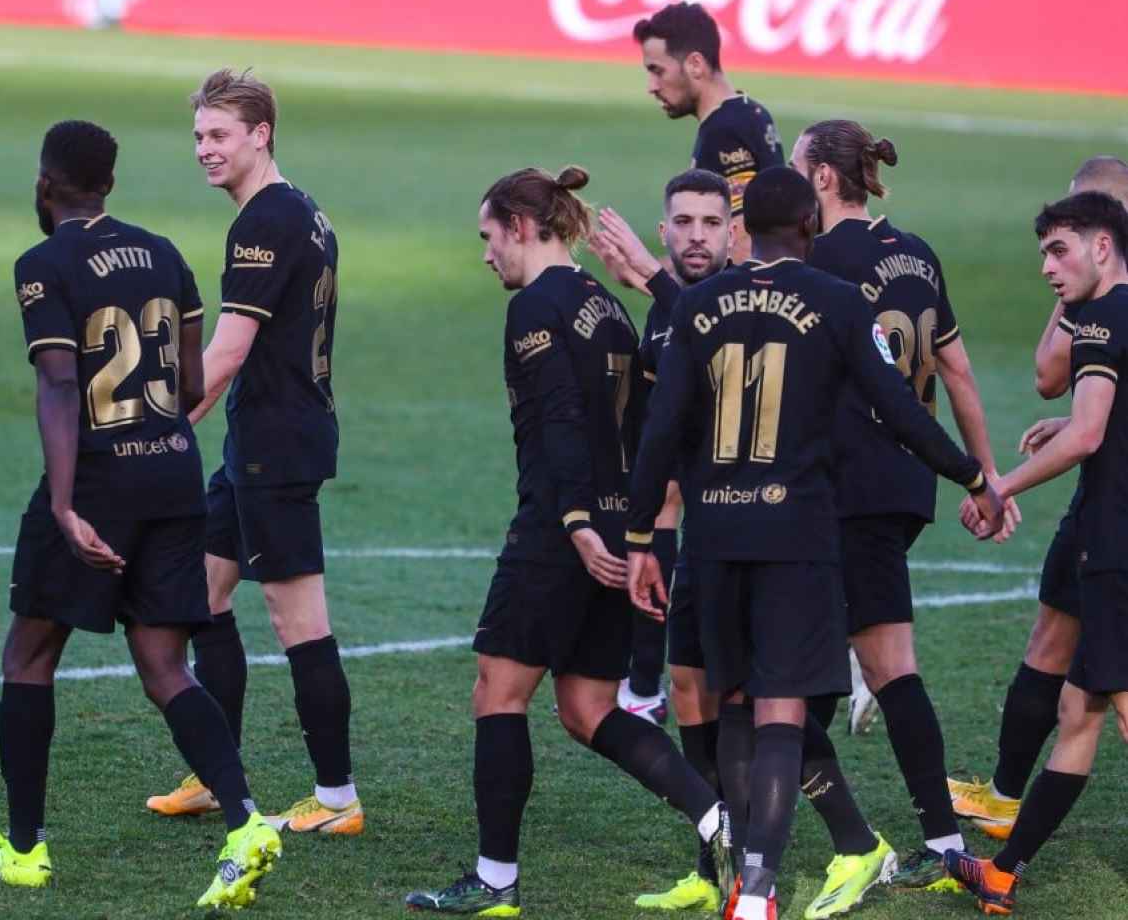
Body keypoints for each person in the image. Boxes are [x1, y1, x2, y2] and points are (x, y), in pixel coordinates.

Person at [624, 167, 1003, 920]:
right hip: (796, 534)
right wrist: (971, 475)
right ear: (808, 226)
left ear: (740, 229)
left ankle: (743, 882)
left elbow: (660, 432)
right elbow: (898, 407)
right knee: (781, 712)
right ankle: (759, 892)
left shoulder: (696, 306)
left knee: (731, 703)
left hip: (716, 533)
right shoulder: (835, 301)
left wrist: (640, 537)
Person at [0, 120, 280, 909]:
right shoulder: (165, 253)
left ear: (45, 183)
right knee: (166, 667)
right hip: (172, 475)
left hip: (97, 481)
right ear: (110, 184)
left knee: (28, 658)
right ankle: (245, 823)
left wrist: (63, 502)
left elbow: (61, 385)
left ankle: (23, 851)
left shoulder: (43, 264)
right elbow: (194, 379)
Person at [404, 165, 732, 917]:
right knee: (586, 707)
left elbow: (560, 421)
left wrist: (578, 524)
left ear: (522, 226)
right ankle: (716, 814)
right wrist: (632, 526)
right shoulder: (606, 306)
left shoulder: (537, 307)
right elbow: (649, 426)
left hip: (564, 531)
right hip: (622, 527)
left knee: (498, 691)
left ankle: (494, 881)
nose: (487, 255)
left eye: (489, 237)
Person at [594, 173, 894, 920]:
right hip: (697, 540)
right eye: (681, 222)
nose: (696, 235)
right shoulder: (668, 317)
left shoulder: (737, 305)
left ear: (735, 233)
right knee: (700, 696)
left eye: (709, 222)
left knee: (765, 706)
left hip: (765, 535)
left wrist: (652, 280)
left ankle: (833, 851)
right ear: (664, 228)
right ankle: (718, 865)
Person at [790, 119, 1013, 891]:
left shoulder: (822, 258)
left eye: (796, 170)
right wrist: (986, 478)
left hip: (842, 485)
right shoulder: (914, 252)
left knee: (813, 670)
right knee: (872, 663)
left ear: (822, 178)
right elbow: (958, 374)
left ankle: (779, 829)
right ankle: (943, 843)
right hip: (906, 487)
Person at [146, 68, 361, 835]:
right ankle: (216, 776)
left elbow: (228, 352)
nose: (204, 150)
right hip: (259, 439)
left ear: (260, 134)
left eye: (219, 136)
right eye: (199, 136)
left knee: (297, 618)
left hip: (278, 445)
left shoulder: (264, 222)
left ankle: (337, 799)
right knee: (202, 597)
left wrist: (160, 430)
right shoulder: (301, 210)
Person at [945, 191, 1128, 916]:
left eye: (1059, 250)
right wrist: (1080, 421)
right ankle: (1004, 871)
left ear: (1102, 248)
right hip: (1111, 536)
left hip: (1115, 545)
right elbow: (1094, 424)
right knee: (1078, 706)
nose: (1048, 268)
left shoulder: (1100, 320)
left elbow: (1088, 436)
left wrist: (999, 487)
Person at [633, 2, 783, 265]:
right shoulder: (749, 112)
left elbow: (742, 246)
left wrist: (643, 272)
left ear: (695, 64)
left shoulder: (724, 131)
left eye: (657, 71)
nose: (651, 86)